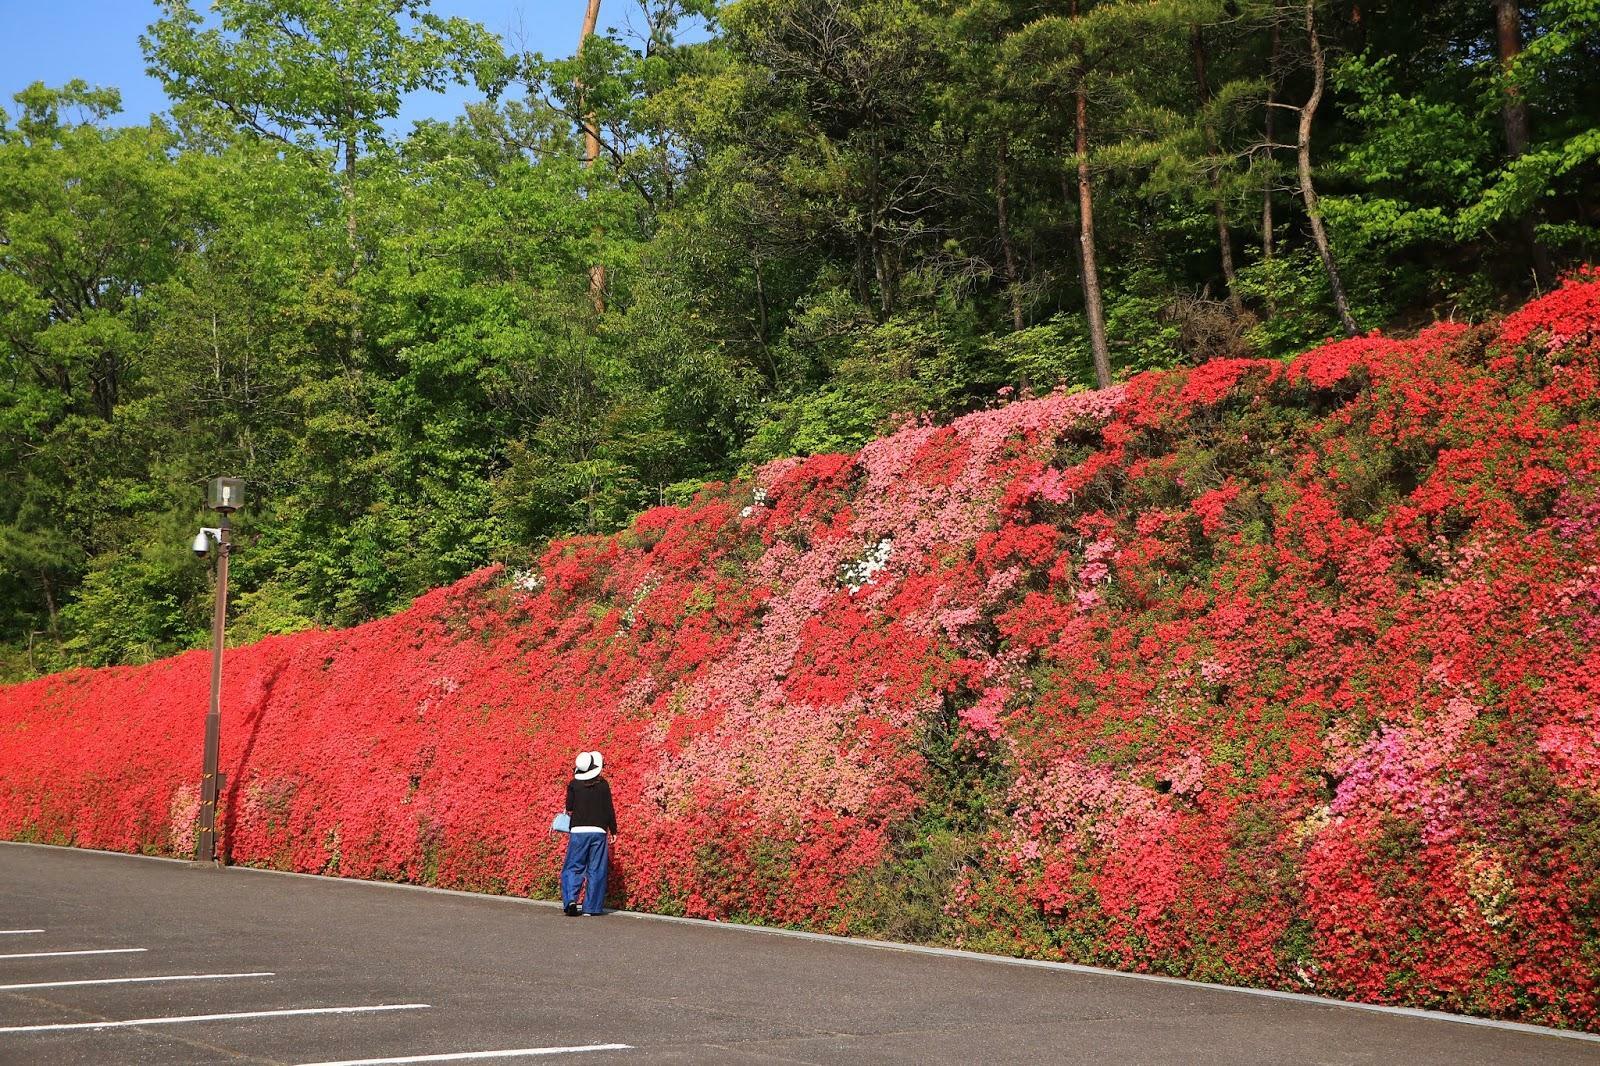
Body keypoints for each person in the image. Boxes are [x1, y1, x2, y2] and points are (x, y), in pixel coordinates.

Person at [561, 750, 617, 916]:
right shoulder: (603, 785)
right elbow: (609, 809)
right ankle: (591, 908)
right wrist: (613, 830)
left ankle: (571, 899)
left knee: (573, 866)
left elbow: (569, 807)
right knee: (596, 868)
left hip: (578, 830)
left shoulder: (574, 784)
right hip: (598, 831)